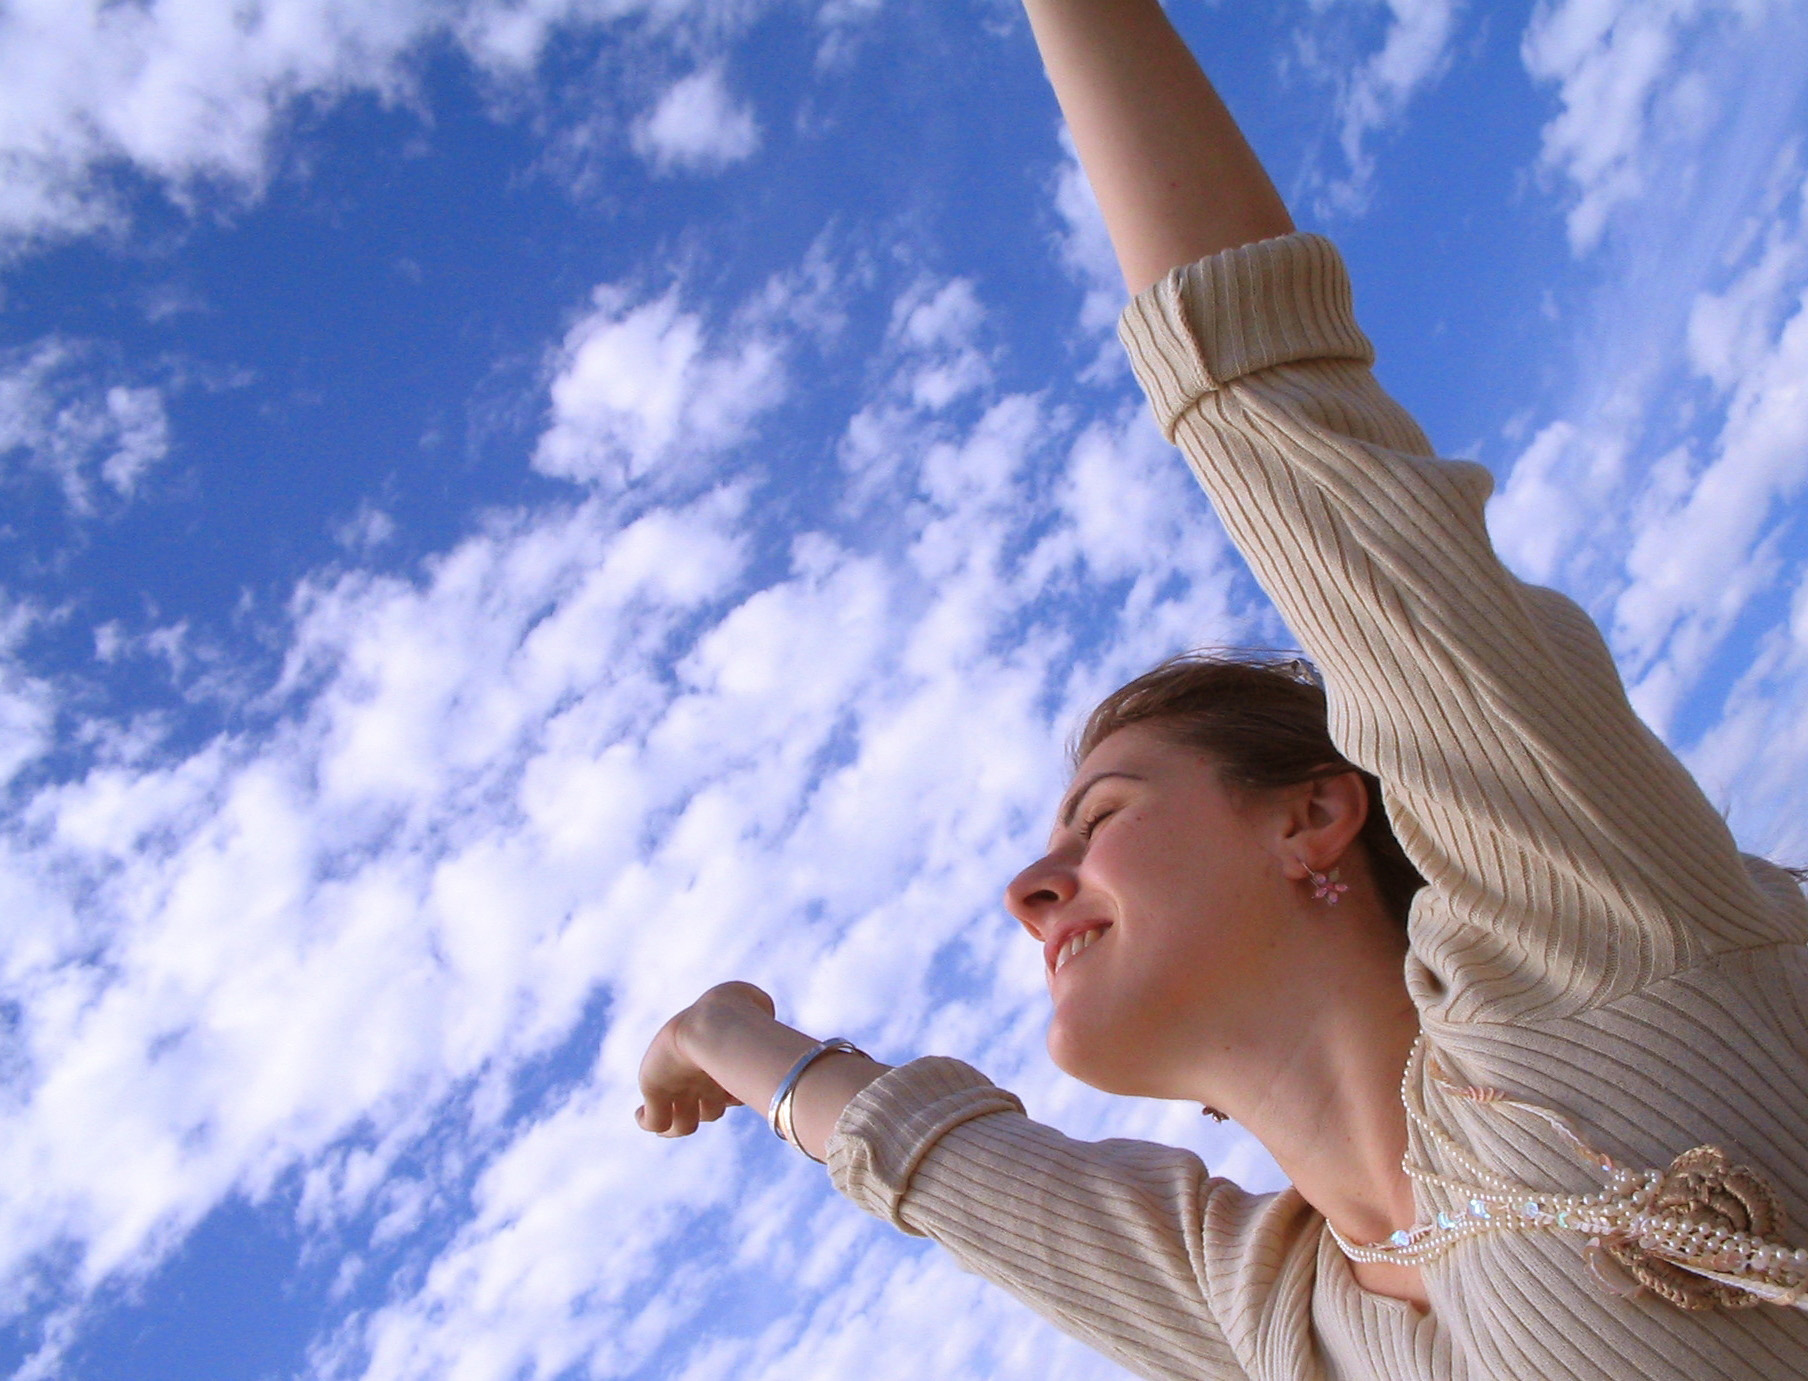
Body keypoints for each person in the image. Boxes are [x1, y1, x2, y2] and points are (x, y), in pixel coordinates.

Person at [635, 2, 1808, 1377]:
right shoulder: (1277, 1317)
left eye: (1100, 816)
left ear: (1313, 816)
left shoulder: (1579, 932)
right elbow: (944, 1163)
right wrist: (723, 1033)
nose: (1030, 886)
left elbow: (1271, 405)